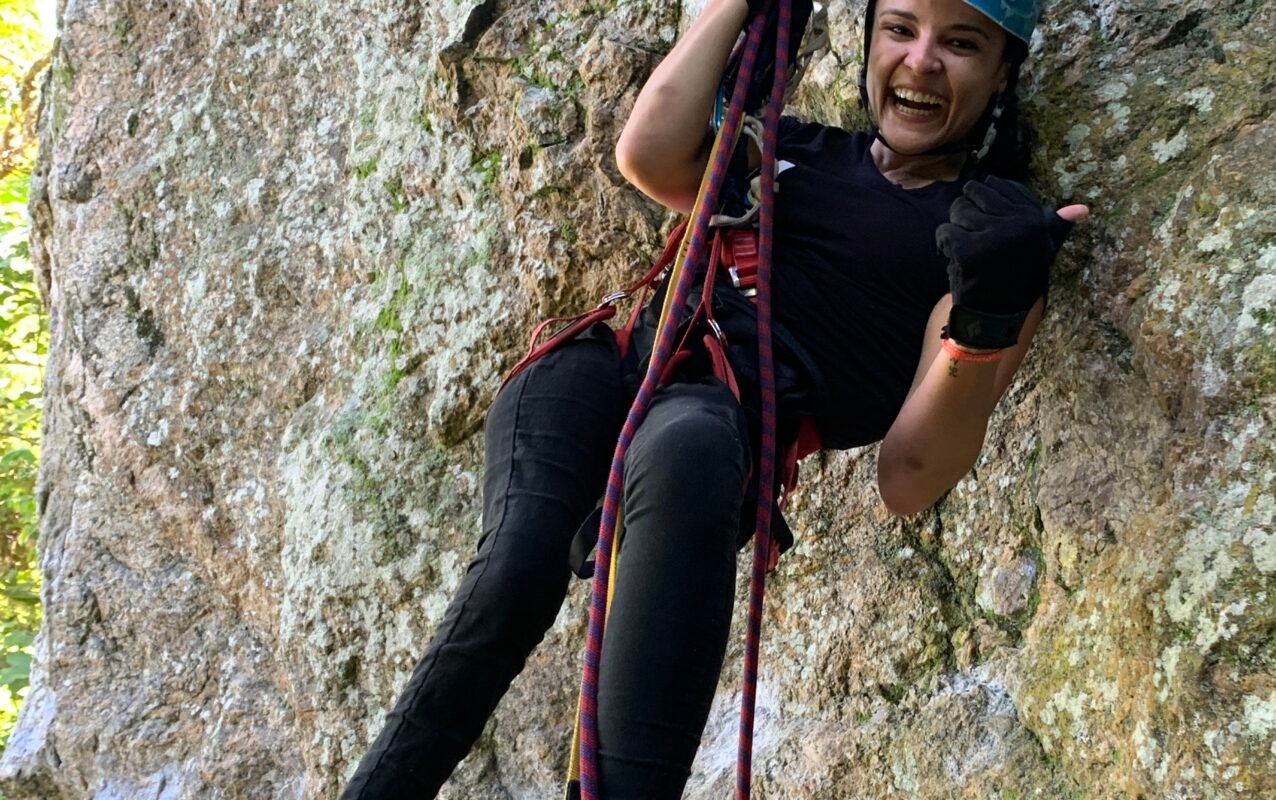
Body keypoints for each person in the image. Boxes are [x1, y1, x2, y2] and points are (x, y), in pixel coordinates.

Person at [339, 0, 1089, 796]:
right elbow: (648, 154)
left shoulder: (984, 240)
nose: (921, 60)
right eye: (899, 29)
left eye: (961, 43)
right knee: (513, 571)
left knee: (688, 444)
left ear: (1002, 72)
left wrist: (984, 320)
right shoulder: (789, 145)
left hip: (715, 427)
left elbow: (909, 477)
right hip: (605, 373)